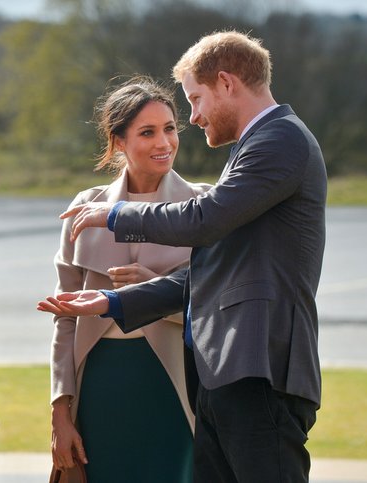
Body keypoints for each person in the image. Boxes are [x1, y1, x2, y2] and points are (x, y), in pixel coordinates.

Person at [38, 30, 327, 483]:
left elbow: (203, 220)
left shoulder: (279, 140)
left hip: (258, 370)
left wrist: (116, 215)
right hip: (226, 377)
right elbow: (213, 272)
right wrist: (112, 303)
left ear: (227, 83)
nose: (192, 118)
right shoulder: (251, 149)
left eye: (194, 100)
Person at [50, 75, 210, 483]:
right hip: (99, 388)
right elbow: (64, 318)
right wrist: (60, 410)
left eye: (171, 128)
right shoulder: (85, 207)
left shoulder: (205, 206)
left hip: (175, 387)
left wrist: (151, 292)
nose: (165, 142)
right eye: (148, 132)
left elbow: (217, 307)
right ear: (118, 141)